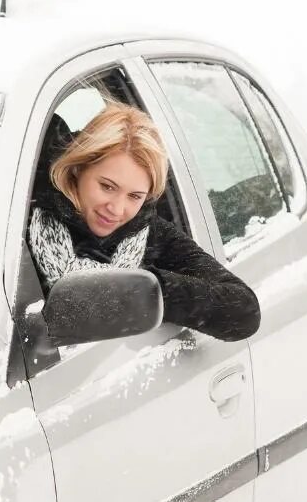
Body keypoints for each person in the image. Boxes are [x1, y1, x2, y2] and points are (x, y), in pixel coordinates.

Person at [28, 102, 261, 341]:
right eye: (107, 186)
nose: (117, 209)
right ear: (77, 169)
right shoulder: (20, 219)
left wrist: (145, 290)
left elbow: (244, 311)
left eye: (134, 196)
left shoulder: (150, 234)